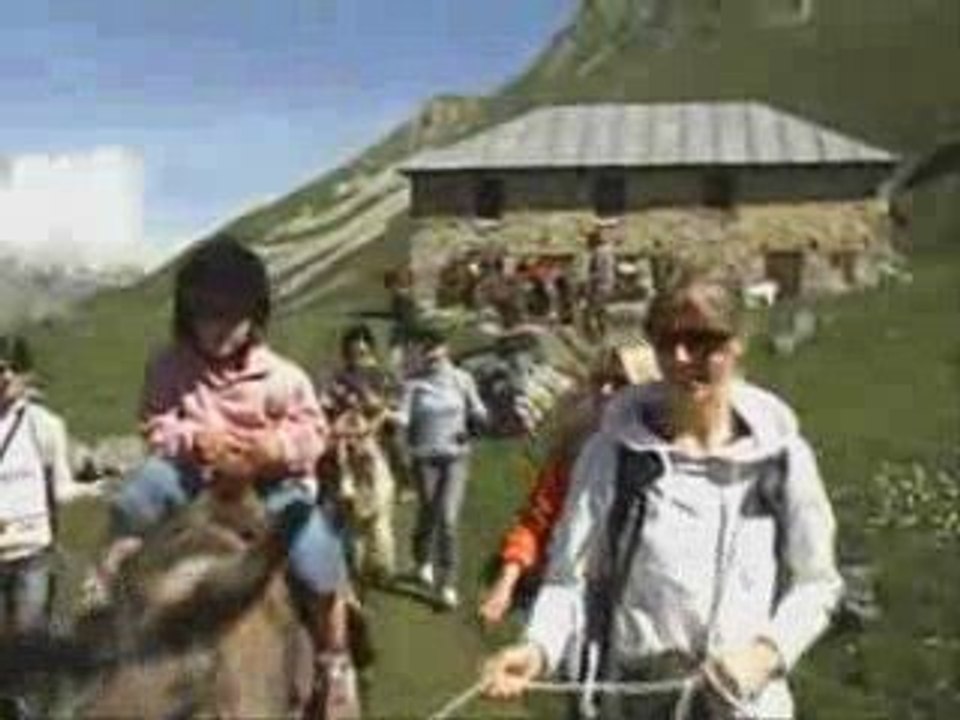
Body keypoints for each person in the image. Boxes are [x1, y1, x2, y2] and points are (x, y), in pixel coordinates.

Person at [482, 269, 843, 719]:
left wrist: (766, 653)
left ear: (737, 342)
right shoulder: (613, 453)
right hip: (635, 703)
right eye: (665, 341)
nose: (680, 357)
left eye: (702, 340)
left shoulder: (781, 459)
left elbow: (818, 583)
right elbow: (567, 581)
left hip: (746, 707)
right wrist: (538, 649)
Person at [92, 237, 358, 714]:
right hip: (195, 474)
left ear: (255, 316)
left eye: (232, 317)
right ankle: (105, 594)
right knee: (134, 498)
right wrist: (194, 439)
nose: (218, 330)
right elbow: (156, 423)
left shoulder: (284, 376)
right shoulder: (169, 365)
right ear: (187, 314)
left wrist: (270, 450)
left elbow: (311, 434)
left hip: (270, 484)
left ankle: (333, 656)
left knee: (317, 552)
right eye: (206, 316)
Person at [478, 334, 658, 627]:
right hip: (564, 600)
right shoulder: (576, 448)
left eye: (620, 382)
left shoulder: (667, 465)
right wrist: (505, 585)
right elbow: (537, 520)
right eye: (600, 379)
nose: (606, 390)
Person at [0, 335, 99, 718]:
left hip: (32, 552)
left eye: (10, 368)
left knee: (28, 647)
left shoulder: (45, 426)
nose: (4, 376)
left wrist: (100, 490)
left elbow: (61, 490)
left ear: (26, 375)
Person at [394, 325, 488, 610]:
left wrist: (474, 425)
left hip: (456, 458)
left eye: (436, 347)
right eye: (427, 350)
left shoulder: (463, 380)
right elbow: (403, 417)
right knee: (428, 513)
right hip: (424, 458)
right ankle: (421, 560)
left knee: (447, 519)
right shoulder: (414, 384)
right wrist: (390, 418)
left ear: (446, 349)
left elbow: (479, 411)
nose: (432, 354)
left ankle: (447, 583)